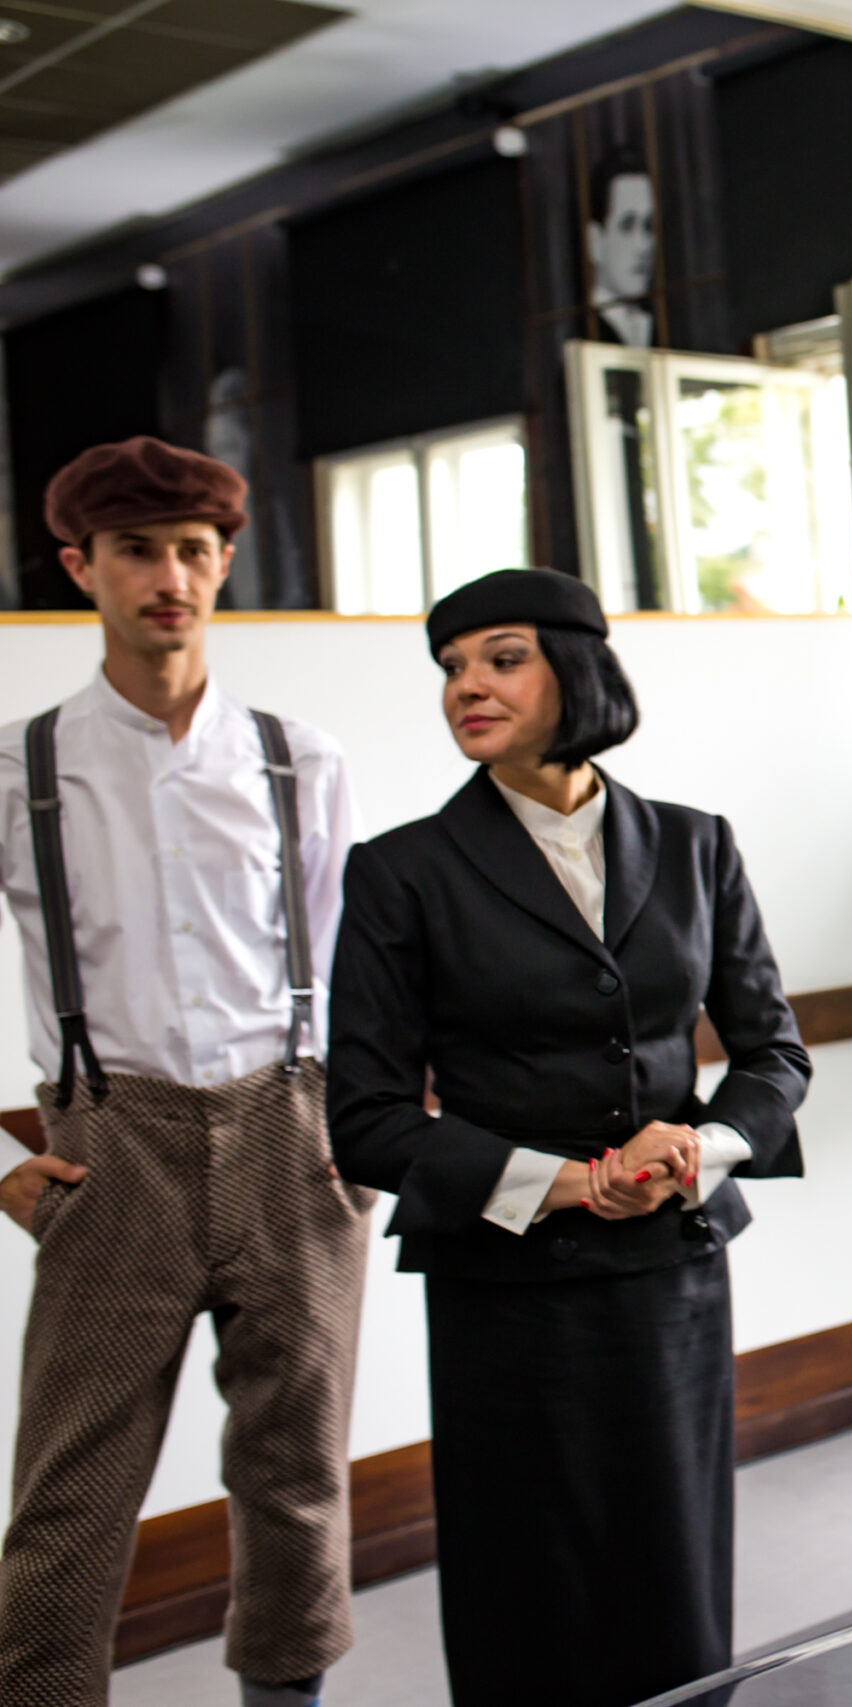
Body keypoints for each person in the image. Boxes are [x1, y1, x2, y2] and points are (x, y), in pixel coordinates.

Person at [326, 568, 809, 1707]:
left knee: (673, 1577)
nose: (467, 686)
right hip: (505, 1290)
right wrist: (570, 1184)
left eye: (503, 658)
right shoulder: (401, 870)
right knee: (524, 1590)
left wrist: (696, 1149)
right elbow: (367, 1121)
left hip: (672, 1275)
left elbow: (773, 1056)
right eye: (452, 667)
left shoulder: (696, 844)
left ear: (578, 670)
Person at [0, 436, 366, 1707]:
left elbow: (344, 963)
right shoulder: (20, 767)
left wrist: (353, 1136)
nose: (170, 577)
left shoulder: (297, 758)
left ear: (223, 563)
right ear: (79, 567)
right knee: (70, 1497)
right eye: (138, 551)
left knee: (298, 1478)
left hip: (292, 1138)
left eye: (194, 552)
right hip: (110, 1150)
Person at [586, 147, 657, 347]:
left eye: (648, 226)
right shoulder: (581, 329)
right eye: (627, 226)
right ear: (595, 240)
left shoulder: (654, 325)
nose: (644, 246)